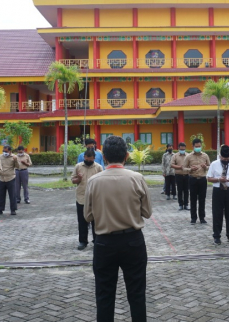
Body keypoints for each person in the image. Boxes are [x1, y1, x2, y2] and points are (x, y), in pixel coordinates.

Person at [84, 135, 152, 322]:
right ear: (127, 155)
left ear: (103, 157)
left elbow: (88, 216)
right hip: (133, 242)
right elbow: (146, 212)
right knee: (137, 294)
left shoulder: (94, 181)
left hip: (104, 243)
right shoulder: (137, 178)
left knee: (104, 296)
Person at [207, 145, 229, 245]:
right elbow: (209, 178)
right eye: (224, 158)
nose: (226, 160)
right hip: (218, 191)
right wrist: (218, 179)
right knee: (217, 214)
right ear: (220, 156)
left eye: (227, 158)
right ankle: (217, 236)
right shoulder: (214, 164)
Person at [72, 149, 103, 250]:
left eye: (90, 160)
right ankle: (83, 241)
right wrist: (79, 179)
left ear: (94, 158)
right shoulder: (78, 166)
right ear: (84, 157)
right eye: (86, 159)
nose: (88, 161)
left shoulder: (98, 168)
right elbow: (73, 181)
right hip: (81, 198)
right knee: (82, 221)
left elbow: (103, 182)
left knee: (96, 221)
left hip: (95, 198)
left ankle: (97, 241)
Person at [183, 138, 211, 224]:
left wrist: (205, 167)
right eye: (196, 146)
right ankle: (193, 218)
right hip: (193, 179)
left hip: (202, 179)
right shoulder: (188, 156)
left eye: (199, 146)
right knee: (193, 199)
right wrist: (190, 169)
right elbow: (183, 168)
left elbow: (210, 167)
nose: (198, 148)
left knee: (202, 199)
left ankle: (202, 218)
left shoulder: (205, 156)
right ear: (193, 146)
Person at [0, 145, 19, 216]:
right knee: (0, 195)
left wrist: (15, 160)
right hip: (1, 178)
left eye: (6, 151)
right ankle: (0, 209)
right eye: (3, 151)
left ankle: (13, 210)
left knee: (12, 195)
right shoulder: (0, 157)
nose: (4, 152)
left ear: (10, 151)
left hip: (11, 178)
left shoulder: (14, 157)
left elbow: (17, 166)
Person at [171, 142, 189, 211]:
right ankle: (180, 204)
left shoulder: (188, 155)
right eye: (181, 149)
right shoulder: (175, 156)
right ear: (178, 148)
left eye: (183, 149)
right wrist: (179, 167)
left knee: (186, 191)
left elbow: (190, 164)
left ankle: (186, 204)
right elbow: (172, 165)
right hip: (178, 175)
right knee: (180, 190)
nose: (182, 150)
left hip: (186, 175)